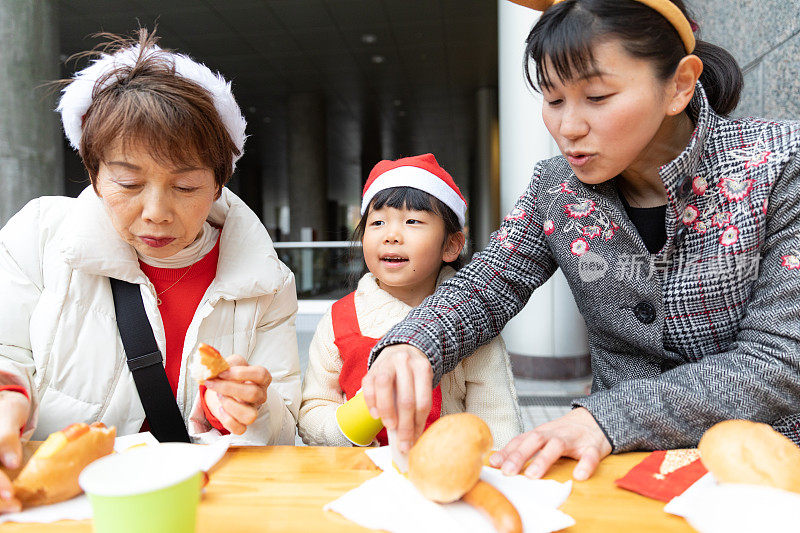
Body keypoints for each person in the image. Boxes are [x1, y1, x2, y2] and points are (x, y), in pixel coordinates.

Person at [361, 0, 800, 481]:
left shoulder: (778, 166)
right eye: (553, 100)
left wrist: (606, 419)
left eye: (597, 97)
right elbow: (487, 284)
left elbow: (780, 360)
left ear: (678, 84)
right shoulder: (556, 188)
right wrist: (412, 345)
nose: (568, 128)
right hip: (618, 470)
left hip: (764, 468)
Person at [0, 29, 300, 512]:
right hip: (58, 504)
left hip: (187, 506)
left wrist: (242, 412)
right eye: (128, 182)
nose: (156, 211)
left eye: (185, 187)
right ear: (94, 173)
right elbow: (5, 348)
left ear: (219, 182)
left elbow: (286, 433)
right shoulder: (38, 237)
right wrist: (6, 394)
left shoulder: (265, 282)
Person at [298, 154, 523, 448]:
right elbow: (312, 413)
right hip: (358, 480)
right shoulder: (339, 319)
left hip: (444, 482)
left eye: (412, 221)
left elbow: (498, 423)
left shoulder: (470, 324)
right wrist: (358, 419)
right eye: (377, 222)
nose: (391, 235)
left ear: (452, 244)